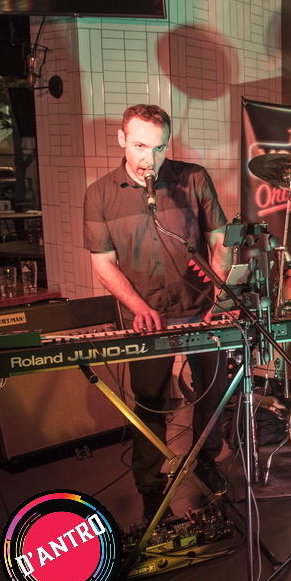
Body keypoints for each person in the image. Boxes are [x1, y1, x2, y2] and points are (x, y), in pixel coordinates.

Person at [84, 104, 231, 522]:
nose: (150, 158)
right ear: (121, 140)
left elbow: (220, 241)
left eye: (160, 147)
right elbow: (103, 263)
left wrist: (218, 295)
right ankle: (151, 487)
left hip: (201, 308)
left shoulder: (193, 178)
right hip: (147, 315)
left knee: (214, 392)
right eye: (139, 146)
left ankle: (206, 457)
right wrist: (139, 307)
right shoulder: (100, 194)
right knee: (149, 402)